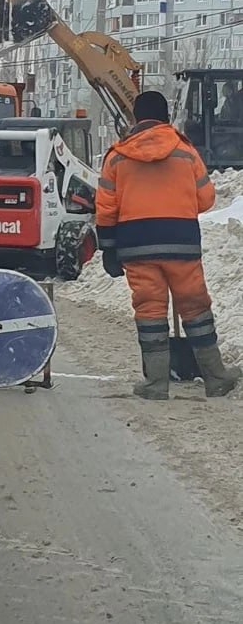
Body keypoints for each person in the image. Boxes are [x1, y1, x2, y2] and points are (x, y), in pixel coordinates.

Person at [96, 90, 240, 400]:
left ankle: (156, 384)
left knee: (149, 311)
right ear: (166, 118)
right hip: (181, 242)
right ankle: (216, 378)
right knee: (196, 308)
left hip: (136, 246)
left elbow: (106, 207)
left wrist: (107, 248)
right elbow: (206, 199)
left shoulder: (117, 156)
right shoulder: (185, 152)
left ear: (136, 118)